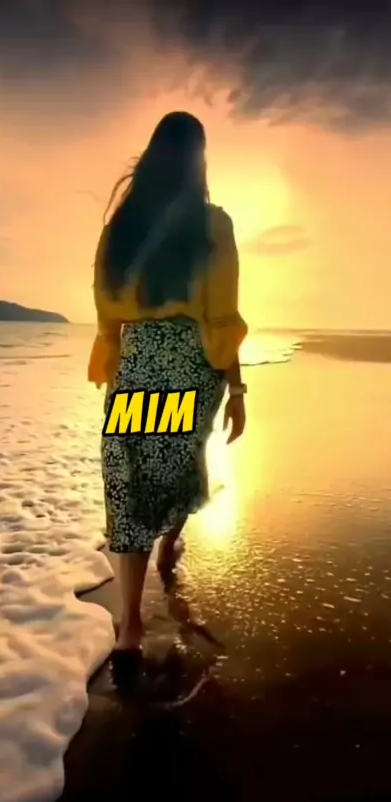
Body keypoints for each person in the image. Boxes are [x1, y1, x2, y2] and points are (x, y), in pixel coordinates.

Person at [88, 111, 248, 678]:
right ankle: (168, 546)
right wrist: (237, 387)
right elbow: (223, 315)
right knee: (181, 465)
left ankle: (129, 624)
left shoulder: (121, 227)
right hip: (190, 360)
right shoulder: (212, 224)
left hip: (137, 361)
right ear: (198, 161)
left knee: (130, 485)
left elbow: (105, 308)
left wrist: (117, 360)